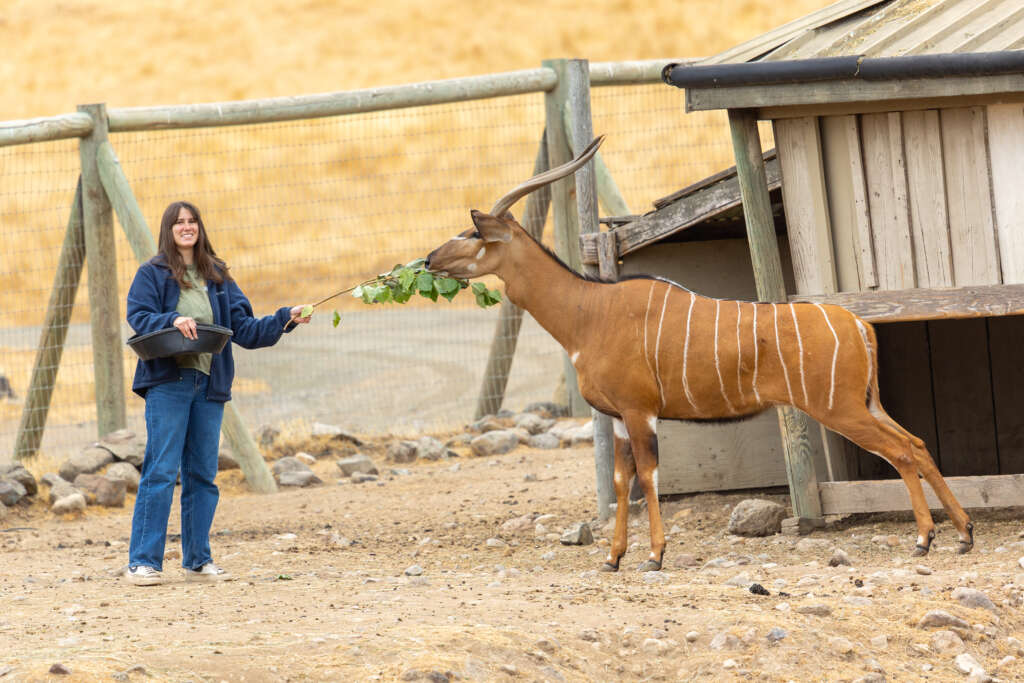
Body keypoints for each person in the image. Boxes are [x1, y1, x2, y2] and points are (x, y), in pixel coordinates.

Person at [124, 200, 312, 586]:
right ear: (169, 229)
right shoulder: (152, 273)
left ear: (200, 228)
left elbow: (245, 330)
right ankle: (143, 562)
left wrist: (285, 319)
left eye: (192, 221)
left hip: (209, 387)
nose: (187, 227)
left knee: (203, 476)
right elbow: (139, 316)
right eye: (179, 222)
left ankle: (197, 561)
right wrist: (172, 319)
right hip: (168, 384)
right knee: (160, 471)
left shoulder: (218, 275)